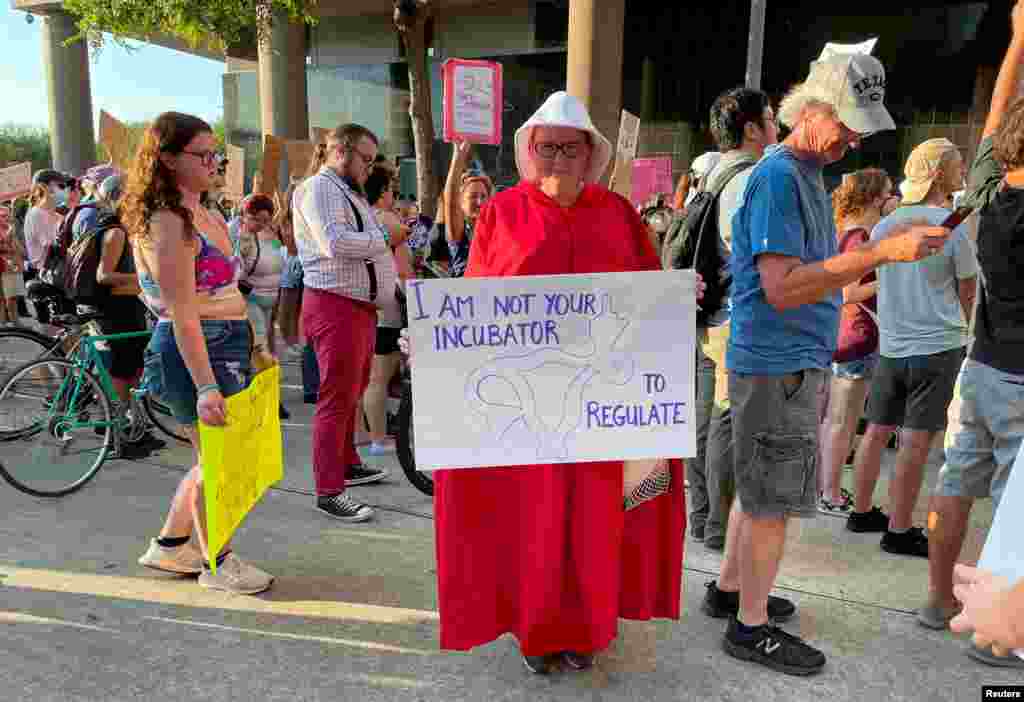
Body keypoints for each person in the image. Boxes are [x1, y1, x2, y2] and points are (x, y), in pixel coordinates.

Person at [702, 51, 954, 676]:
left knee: (759, 490)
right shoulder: (783, 177)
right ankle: (749, 624)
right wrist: (884, 253)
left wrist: (874, 253)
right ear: (808, 110)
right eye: (847, 122)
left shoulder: (799, 173)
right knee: (771, 502)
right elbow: (784, 286)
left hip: (780, 361)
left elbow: (792, 281)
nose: (854, 137)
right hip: (778, 362)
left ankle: (732, 591)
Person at [431, 91, 693, 675]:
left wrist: (679, 300)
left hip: (600, 404)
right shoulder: (502, 212)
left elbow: (645, 292)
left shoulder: (618, 214)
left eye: (568, 148)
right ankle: (536, 632)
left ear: (589, 153)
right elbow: (477, 299)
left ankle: (588, 628)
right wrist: (434, 343)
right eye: (546, 147)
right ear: (530, 151)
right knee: (537, 522)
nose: (556, 158)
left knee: (595, 520)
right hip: (530, 409)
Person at [125, 111, 273, 595]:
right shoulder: (168, 220)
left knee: (211, 457)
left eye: (216, 152)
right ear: (167, 159)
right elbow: (181, 309)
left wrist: (254, 343)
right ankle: (217, 562)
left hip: (225, 341)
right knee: (219, 460)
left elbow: (229, 289)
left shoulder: (202, 212)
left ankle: (172, 546)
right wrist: (206, 383)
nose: (214, 162)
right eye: (203, 154)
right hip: (197, 346)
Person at [917, 2, 1024, 670]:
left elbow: (993, 116)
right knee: (1016, 512)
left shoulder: (988, 190)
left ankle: (938, 599)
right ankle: (995, 634)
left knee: (956, 482)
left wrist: (1018, 42)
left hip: (979, 367)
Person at [845, 138, 977, 557]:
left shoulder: (885, 226)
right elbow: (967, 290)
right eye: (958, 165)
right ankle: (900, 529)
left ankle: (862, 510)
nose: (963, 172)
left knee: (876, 429)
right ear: (939, 173)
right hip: (938, 346)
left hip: (893, 345)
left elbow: (867, 281)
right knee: (916, 442)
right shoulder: (951, 227)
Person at [292, 123, 397, 522]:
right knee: (336, 400)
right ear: (341, 152)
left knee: (350, 393)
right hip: (335, 307)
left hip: (355, 308)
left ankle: (347, 464)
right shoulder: (319, 189)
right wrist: (385, 236)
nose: (369, 169)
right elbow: (333, 243)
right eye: (365, 160)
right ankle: (328, 490)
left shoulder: (345, 191)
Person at [689, 87, 778, 549]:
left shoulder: (710, 175)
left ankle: (701, 516)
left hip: (704, 317)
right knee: (725, 421)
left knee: (704, 421)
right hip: (732, 319)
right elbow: (755, 257)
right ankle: (719, 527)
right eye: (770, 117)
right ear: (750, 128)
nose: (776, 126)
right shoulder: (749, 181)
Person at [817, 169, 898, 514]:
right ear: (874, 198)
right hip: (856, 336)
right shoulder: (859, 237)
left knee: (834, 420)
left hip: (843, 335)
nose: (893, 199)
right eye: (888, 192)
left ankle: (824, 489)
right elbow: (848, 291)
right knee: (843, 422)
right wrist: (889, 277)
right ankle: (830, 493)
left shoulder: (843, 231)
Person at [79, 174, 167, 458]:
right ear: (119, 199)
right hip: (116, 312)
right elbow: (104, 275)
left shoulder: (124, 230)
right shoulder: (115, 232)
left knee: (130, 372)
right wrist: (141, 279)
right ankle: (116, 436)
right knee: (120, 374)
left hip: (128, 308)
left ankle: (129, 431)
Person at [443, 142, 493, 277]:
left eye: (484, 196)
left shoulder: (498, 230)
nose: (480, 202)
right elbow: (451, 200)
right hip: (467, 296)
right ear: (461, 203)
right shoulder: (460, 234)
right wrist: (458, 157)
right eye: (473, 196)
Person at [0, 205, 25, 324]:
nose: (7, 218)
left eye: (8, 215)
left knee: (13, 297)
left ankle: (16, 323)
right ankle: (3, 324)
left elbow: (20, 250)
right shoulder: (6, 230)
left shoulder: (11, 229)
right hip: (5, 267)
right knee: (5, 298)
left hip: (13, 267)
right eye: (3, 216)